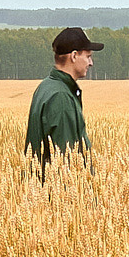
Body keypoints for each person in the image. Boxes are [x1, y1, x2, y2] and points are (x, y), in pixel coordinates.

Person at [27, 27, 99, 166]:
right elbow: (66, 159)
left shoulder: (47, 86)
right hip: (57, 179)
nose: (91, 63)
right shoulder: (61, 97)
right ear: (74, 56)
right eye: (88, 57)